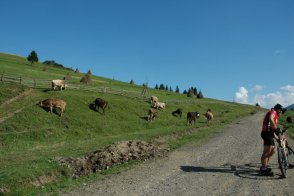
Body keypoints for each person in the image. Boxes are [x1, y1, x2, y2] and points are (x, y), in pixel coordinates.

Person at [260, 103, 284, 176]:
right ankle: (263, 169)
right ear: (279, 110)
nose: (282, 113)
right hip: (266, 133)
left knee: (273, 151)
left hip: (269, 133)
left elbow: (272, 130)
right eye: (281, 111)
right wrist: (276, 129)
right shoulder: (273, 112)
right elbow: (270, 119)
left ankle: (265, 165)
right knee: (267, 151)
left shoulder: (275, 115)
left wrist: (277, 139)